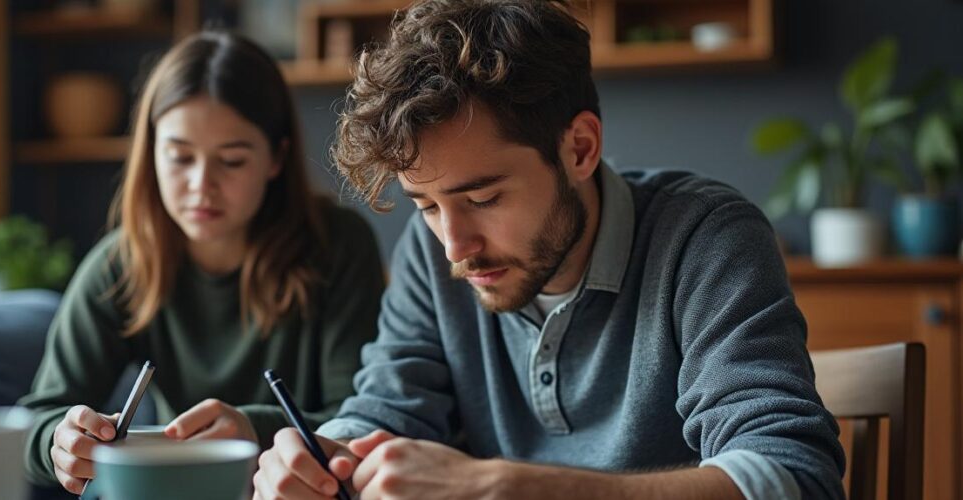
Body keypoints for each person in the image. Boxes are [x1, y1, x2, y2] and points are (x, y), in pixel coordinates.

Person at [253, 1, 845, 499]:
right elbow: (387, 411)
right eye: (426, 206)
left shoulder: (706, 238)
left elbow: (794, 476)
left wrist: (513, 488)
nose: (454, 246)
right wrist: (325, 457)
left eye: (483, 197)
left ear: (580, 148)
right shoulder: (430, 253)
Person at [19, 31, 385, 495]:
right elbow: (34, 419)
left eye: (231, 161)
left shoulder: (337, 247)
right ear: (151, 153)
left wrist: (253, 431)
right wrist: (60, 440)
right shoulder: (120, 266)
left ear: (277, 157)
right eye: (179, 157)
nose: (200, 185)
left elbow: (366, 416)